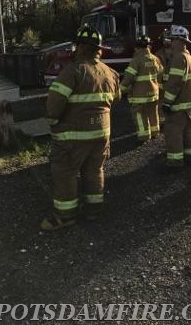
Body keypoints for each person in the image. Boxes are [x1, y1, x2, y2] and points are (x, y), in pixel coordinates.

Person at [41, 24, 121, 230]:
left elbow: (54, 104)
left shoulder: (72, 72)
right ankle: (94, 210)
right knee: (94, 170)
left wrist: (52, 122)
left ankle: (65, 216)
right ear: (99, 49)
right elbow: (116, 99)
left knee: (65, 172)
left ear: (81, 47)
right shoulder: (110, 73)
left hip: (73, 136)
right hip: (102, 134)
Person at [162, 25, 191, 169]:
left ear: (179, 40)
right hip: (189, 105)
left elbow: (174, 84)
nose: (170, 42)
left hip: (178, 106)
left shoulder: (178, 58)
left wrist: (166, 103)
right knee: (187, 133)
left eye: (172, 39)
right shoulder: (188, 56)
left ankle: (175, 163)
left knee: (173, 133)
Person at [120, 35, 163, 143]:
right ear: (149, 46)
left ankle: (144, 136)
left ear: (137, 48)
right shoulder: (155, 59)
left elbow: (129, 78)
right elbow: (161, 74)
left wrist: (120, 90)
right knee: (153, 113)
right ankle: (154, 132)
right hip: (153, 93)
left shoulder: (136, 60)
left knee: (140, 115)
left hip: (140, 96)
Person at [155, 29, 172, 125]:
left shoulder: (177, 54)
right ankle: (162, 122)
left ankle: (172, 120)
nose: (166, 41)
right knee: (161, 103)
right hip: (163, 85)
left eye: (168, 39)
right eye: (164, 39)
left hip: (174, 83)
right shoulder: (158, 54)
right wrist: (158, 84)